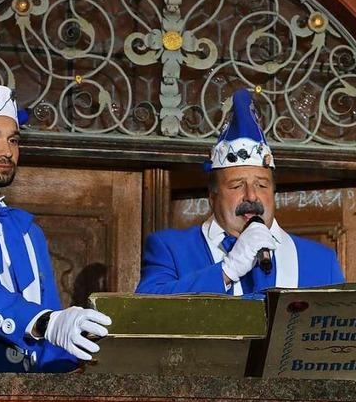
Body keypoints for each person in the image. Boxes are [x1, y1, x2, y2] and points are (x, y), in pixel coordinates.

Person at [0, 51, 112, 373]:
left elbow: (51, 336)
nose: (6, 151)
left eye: (13, 140)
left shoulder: (28, 230)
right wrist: (43, 322)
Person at [136, 89, 345, 296]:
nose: (251, 196)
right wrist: (228, 270)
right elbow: (145, 310)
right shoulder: (171, 249)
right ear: (213, 196)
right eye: (237, 186)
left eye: (262, 185)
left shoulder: (320, 261)